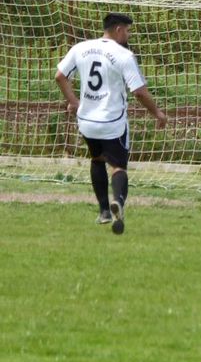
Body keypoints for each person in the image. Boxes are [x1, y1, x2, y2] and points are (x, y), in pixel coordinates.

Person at [54, 13, 168, 235]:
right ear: (118, 29)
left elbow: (60, 76)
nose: (128, 34)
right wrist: (158, 113)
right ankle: (118, 202)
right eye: (127, 30)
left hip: (86, 121)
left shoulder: (81, 48)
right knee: (118, 166)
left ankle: (104, 211)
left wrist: (74, 101)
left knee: (97, 159)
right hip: (112, 122)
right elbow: (139, 91)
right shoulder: (124, 55)